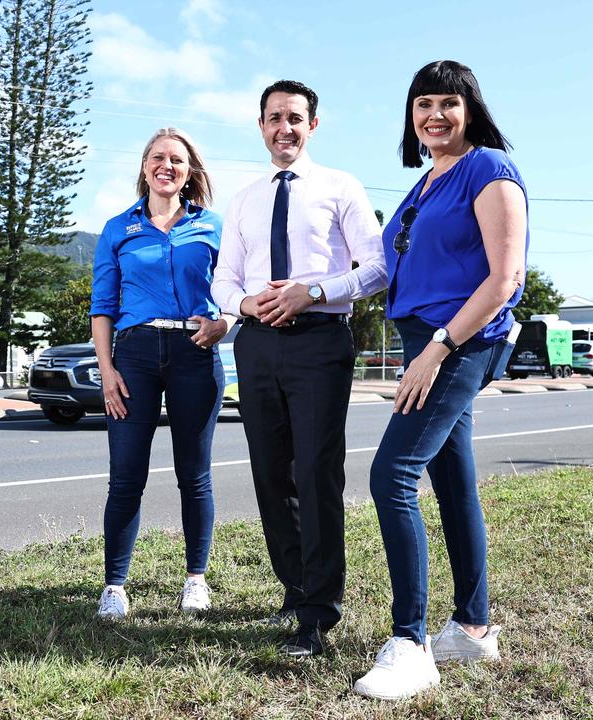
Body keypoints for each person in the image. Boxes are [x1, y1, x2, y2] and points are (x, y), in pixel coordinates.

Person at [351, 60, 528, 700]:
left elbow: (504, 278)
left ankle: (411, 642)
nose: (435, 115)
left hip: (459, 340)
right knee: (452, 481)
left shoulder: (489, 170)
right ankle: (474, 630)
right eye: (423, 104)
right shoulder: (427, 182)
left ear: (470, 110)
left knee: (391, 475)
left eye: (448, 103)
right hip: (423, 337)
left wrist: (438, 347)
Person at [211, 80, 387, 657]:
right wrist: (245, 305)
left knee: (315, 472)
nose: (283, 127)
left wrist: (312, 290)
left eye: (294, 117)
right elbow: (224, 281)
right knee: (270, 473)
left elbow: (378, 266)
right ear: (260, 125)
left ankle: (319, 612)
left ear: (313, 125)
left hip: (319, 343)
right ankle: (294, 589)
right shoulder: (243, 199)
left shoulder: (341, 187)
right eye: (273, 117)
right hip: (257, 345)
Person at [89, 128, 230, 620]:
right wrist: (107, 370)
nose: (166, 165)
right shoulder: (117, 229)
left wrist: (223, 323)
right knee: (126, 474)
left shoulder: (213, 225)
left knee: (195, 475)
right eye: (157, 157)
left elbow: (234, 290)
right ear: (144, 166)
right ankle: (114, 585)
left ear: (191, 171)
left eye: (177, 159)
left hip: (195, 351)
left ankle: (195, 578)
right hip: (135, 355)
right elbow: (103, 306)